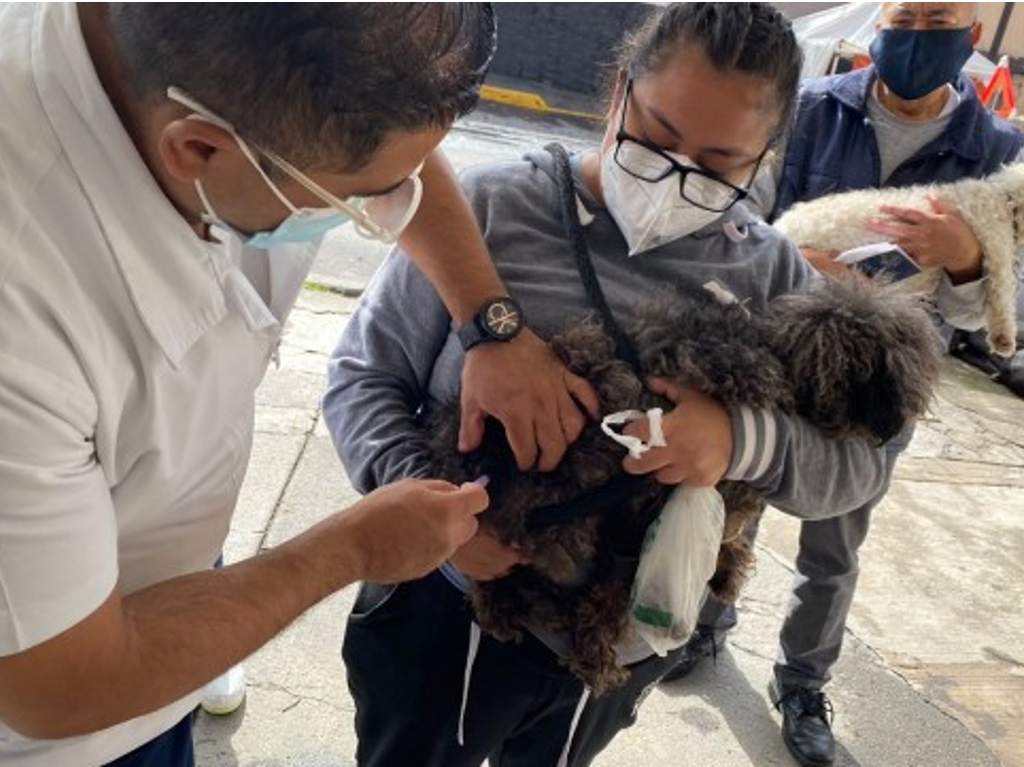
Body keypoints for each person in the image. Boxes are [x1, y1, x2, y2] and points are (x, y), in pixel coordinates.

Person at [0, 4, 596, 766]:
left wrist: (492, 323)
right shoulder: (24, 316)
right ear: (198, 148)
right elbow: (59, 684)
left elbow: (391, 148)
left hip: (151, 533)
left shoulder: (255, 102)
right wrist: (341, 551)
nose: (399, 205)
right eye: (364, 201)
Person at [324, 5, 902, 766]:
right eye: (658, 136)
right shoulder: (492, 211)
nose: (673, 173)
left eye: (719, 161)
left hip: (617, 645)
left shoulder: (773, 281)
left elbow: (862, 465)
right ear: (619, 91)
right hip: (445, 608)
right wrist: (430, 516)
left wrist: (739, 440)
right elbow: (363, 377)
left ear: (766, 155)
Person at [665, 4, 1024, 766]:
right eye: (906, 14)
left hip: (884, 382)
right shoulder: (806, 111)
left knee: (836, 542)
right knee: (735, 498)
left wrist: (964, 259)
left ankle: (801, 682)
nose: (918, 34)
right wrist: (790, 264)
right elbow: (734, 217)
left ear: (970, 29)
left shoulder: (994, 152)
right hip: (779, 348)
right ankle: (706, 620)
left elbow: (984, 319)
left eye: (940, 16)